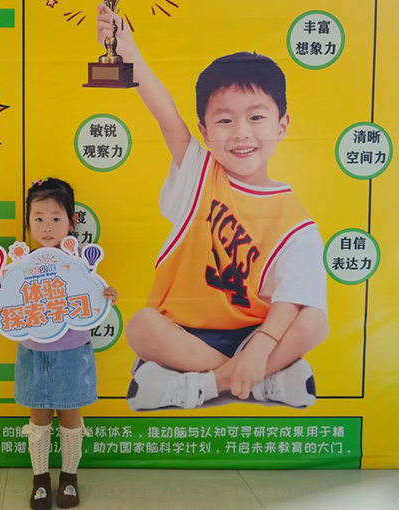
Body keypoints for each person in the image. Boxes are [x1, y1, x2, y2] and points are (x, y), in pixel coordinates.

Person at [95, 4, 328, 411]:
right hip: (187, 332)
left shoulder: (296, 220)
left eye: (256, 117)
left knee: (314, 320)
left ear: (282, 125)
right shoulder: (199, 175)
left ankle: (202, 385)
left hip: (255, 332)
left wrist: (262, 345)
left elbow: (293, 295)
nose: (241, 133)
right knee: (142, 326)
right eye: (224, 121)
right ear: (203, 131)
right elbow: (166, 114)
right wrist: (129, 53)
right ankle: (260, 382)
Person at [0, 177, 118, 509]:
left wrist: (107, 295)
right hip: (33, 353)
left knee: (70, 417)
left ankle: (69, 478)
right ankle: (40, 480)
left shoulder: (79, 263)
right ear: (28, 222)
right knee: (38, 419)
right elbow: (1, 298)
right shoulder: (19, 266)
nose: (47, 226)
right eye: (38, 218)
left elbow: (94, 297)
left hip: (72, 352)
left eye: (55, 217)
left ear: (71, 221)